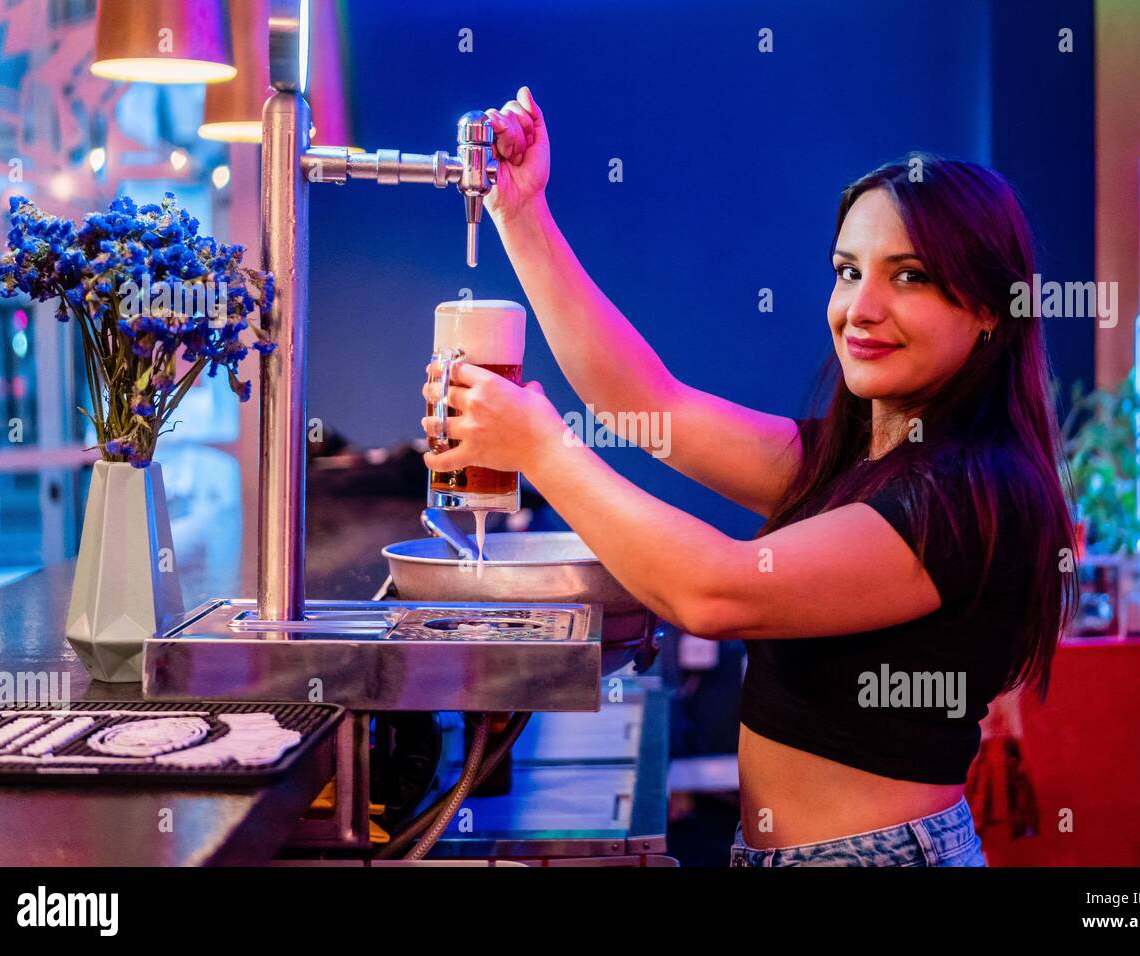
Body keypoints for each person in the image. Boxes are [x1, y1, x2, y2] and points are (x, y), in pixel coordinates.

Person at [421, 86, 1078, 867]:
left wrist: (542, 448)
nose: (859, 308)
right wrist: (521, 215)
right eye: (846, 270)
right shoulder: (855, 456)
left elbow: (715, 591)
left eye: (908, 277)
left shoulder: (975, 491)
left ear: (989, 310)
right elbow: (642, 402)